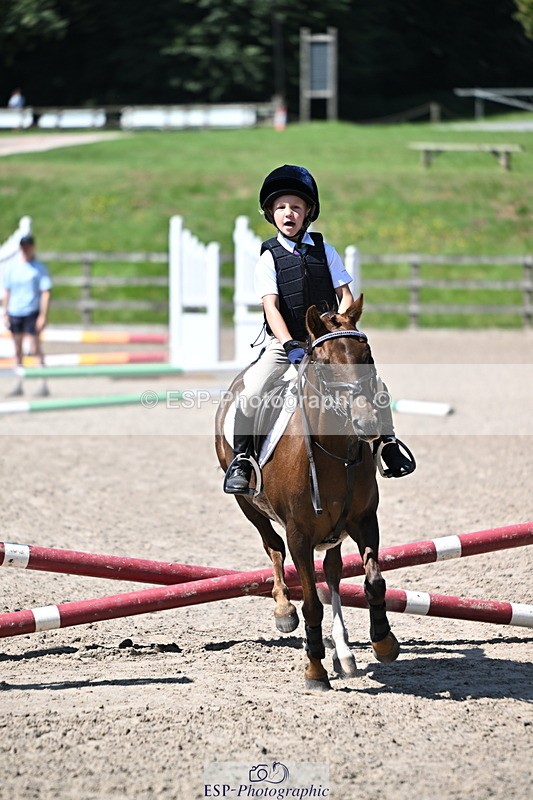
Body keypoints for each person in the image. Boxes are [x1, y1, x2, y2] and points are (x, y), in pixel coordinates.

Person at [224, 164, 416, 494]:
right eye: (281, 207)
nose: (288, 213)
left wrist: (337, 329)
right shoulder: (268, 259)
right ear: (271, 213)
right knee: (253, 390)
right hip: (285, 343)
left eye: (296, 207)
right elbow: (271, 308)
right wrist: (289, 344)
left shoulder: (325, 251)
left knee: (372, 382)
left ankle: (387, 443)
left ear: (308, 213)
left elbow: (346, 296)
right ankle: (243, 459)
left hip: (326, 341)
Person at [2, 234, 52, 397]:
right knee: (17, 349)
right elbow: (7, 291)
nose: (25, 249)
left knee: (34, 348)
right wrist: (6, 311)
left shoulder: (38, 268)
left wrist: (43, 315)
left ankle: (42, 382)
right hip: (15, 312)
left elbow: (45, 292)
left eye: (28, 246)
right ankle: (18, 382)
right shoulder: (12, 268)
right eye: (23, 246)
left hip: (31, 311)